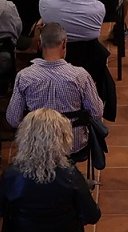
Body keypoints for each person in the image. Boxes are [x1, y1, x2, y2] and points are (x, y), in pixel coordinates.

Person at [0, 108, 101, 232]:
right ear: (63, 138)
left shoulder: (12, 174)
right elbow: (93, 215)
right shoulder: (71, 175)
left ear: (25, 137)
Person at [7, 22, 108, 164]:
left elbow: (13, 118)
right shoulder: (80, 76)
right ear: (64, 43)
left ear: (40, 44)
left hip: (37, 145)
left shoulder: (24, 76)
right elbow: (96, 112)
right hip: (73, 144)